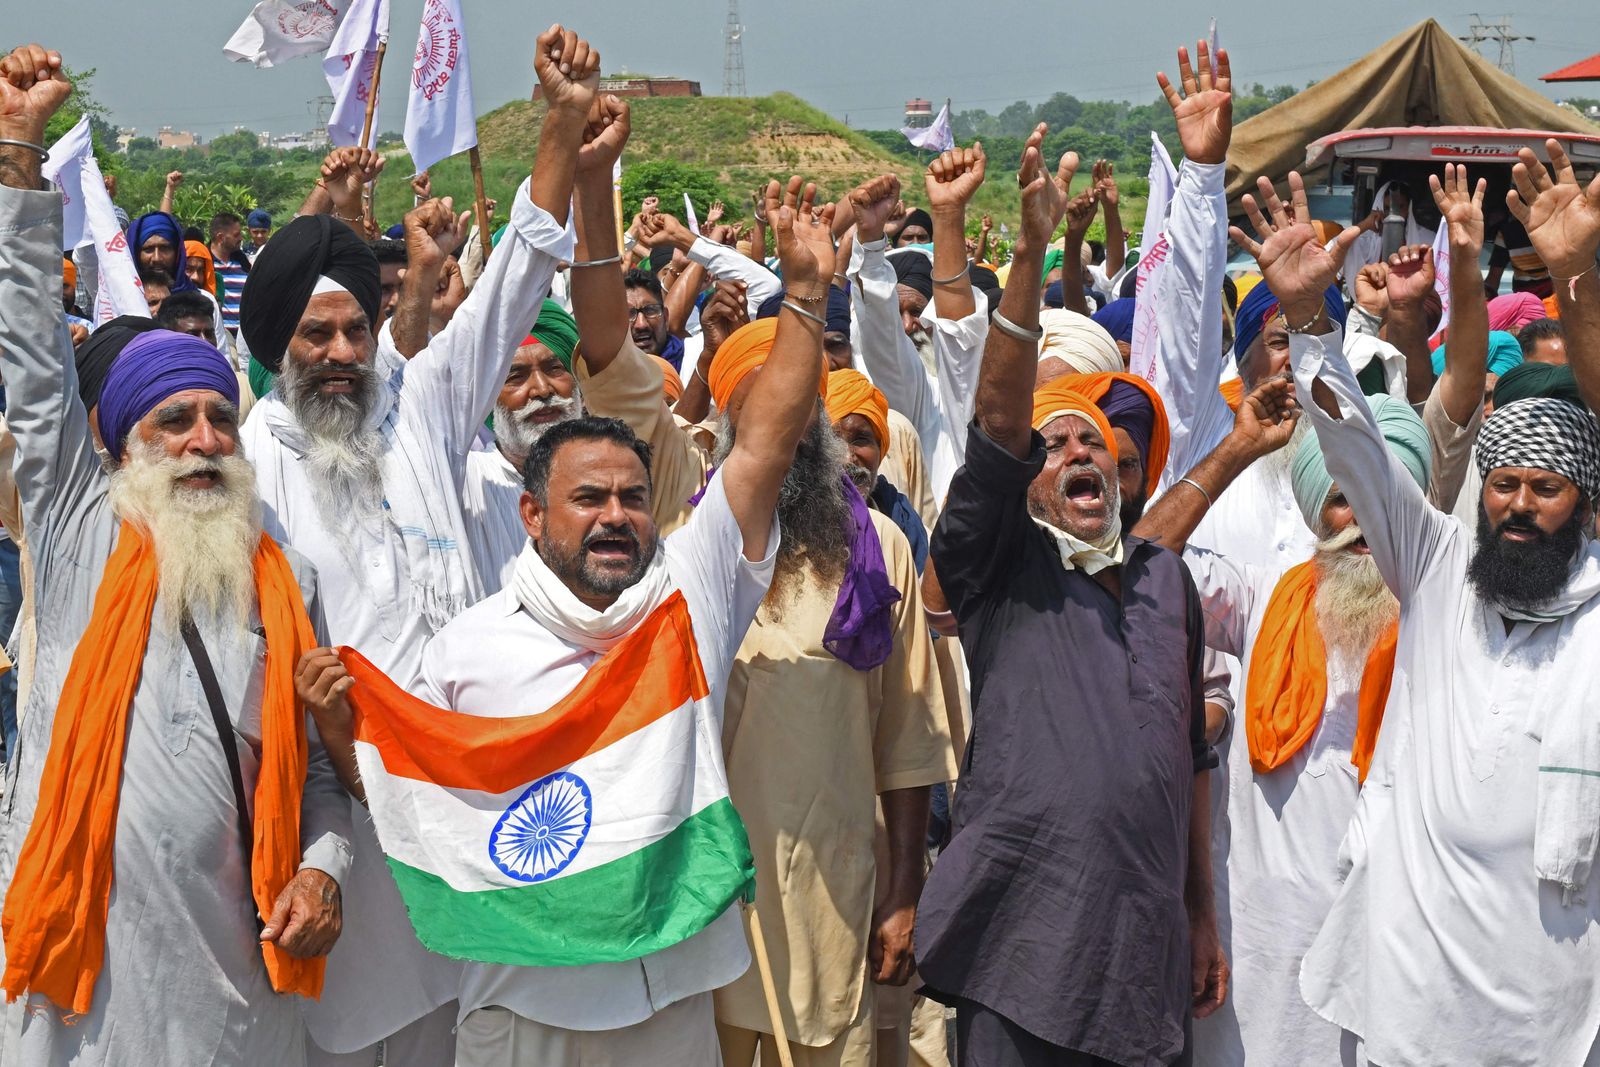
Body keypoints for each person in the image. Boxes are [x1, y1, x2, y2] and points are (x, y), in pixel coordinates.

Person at [301, 172, 838, 1067]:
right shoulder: (469, 650)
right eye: (587, 497)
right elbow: (414, 807)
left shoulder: (684, 595)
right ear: (532, 516)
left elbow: (762, 449)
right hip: (524, 1007)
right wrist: (336, 726)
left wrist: (809, 296)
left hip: (667, 1001)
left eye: (631, 497)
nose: (616, 515)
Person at [236, 25, 594, 1066]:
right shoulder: (254, 465)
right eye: (317, 336)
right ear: (279, 348)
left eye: (354, 329)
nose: (343, 353)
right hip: (344, 834)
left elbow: (517, 281)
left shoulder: (423, 404)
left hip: (477, 819)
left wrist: (561, 129)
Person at [0, 45, 352, 1065]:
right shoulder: (79, 532)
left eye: (218, 418)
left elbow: (324, 774)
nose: (204, 438)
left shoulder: (287, 580)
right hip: (84, 1003)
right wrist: (19, 154)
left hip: (242, 998)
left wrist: (324, 870)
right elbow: (29, 360)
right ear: (119, 447)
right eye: (174, 421)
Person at [1236, 146, 1600, 1067]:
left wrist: (1575, 278)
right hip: (1407, 1005)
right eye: (1503, 482)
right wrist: (1311, 318)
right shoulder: (1438, 570)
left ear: (1587, 504)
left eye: (1545, 487)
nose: (1518, 504)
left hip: (1550, 1019)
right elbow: (1356, 450)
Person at [914, 122, 1226, 1067]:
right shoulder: (1001, 566)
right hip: (1022, 955)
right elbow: (1002, 424)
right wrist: (1028, 256)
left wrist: (1200, 913)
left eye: (1093, 441)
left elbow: (1182, 769)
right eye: (1055, 447)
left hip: (1143, 959)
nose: (1079, 450)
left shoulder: (1166, 582)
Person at [848, 148, 991, 505]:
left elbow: (959, 335)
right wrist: (870, 244)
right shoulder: (911, 396)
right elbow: (884, 338)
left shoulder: (959, 398)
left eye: (917, 311)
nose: (909, 326)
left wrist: (947, 215)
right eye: (899, 313)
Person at [462, 300, 584, 592]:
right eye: (515, 377)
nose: (542, 389)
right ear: (489, 396)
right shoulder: (468, 484)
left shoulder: (614, 474)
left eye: (555, 368)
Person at [211, 211, 250, 339]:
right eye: (236, 235)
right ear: (221, 237)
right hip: (218, 336)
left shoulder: (243, 263)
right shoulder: (204, 265)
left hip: (244, 337)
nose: (241, 238)